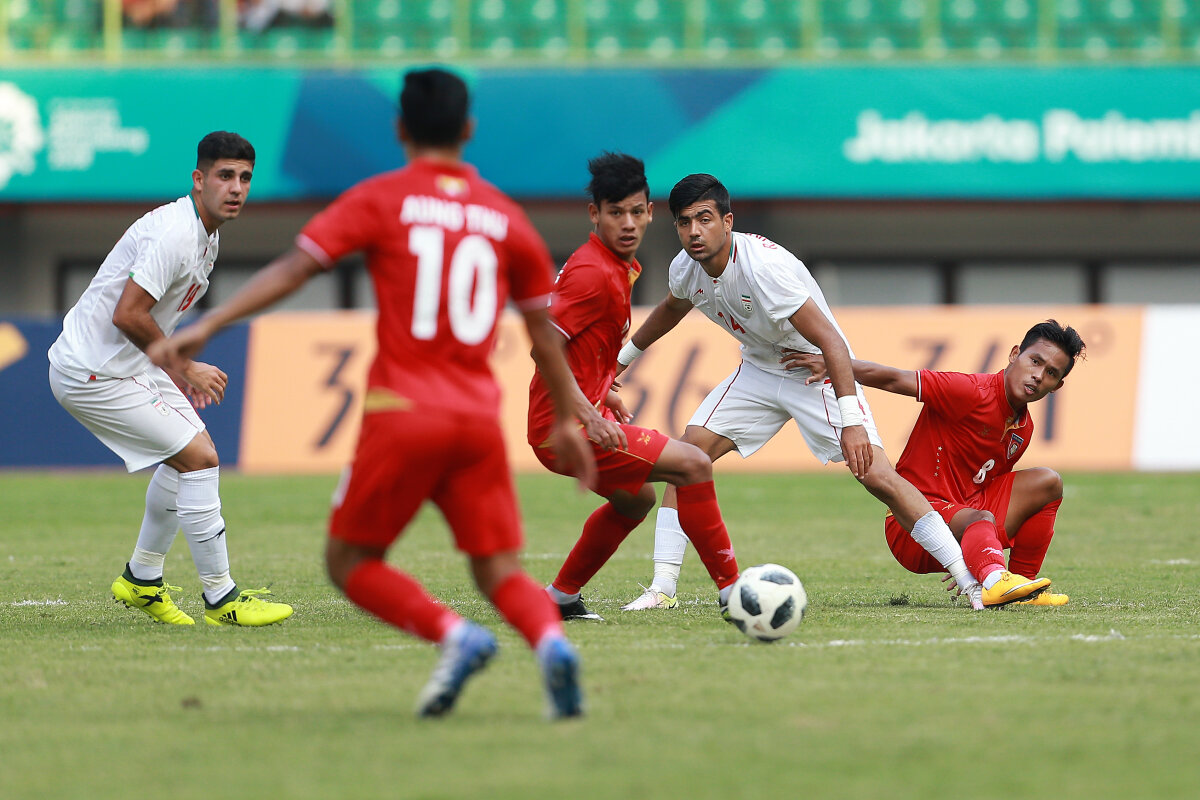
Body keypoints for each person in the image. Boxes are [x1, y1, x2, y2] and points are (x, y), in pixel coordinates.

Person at [151, 68, 620, 719]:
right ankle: (550, 644)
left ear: (400, 129)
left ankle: (454, 637)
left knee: (349, 561)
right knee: (499, 569)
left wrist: (208, 325)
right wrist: (569, 416)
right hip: (476, 419)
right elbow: (543, 333)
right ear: (468, 130)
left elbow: (297, 267)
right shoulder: (505, 218)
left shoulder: (383, 199)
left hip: (403, 412)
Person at [616, 174, 1050, 612]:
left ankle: (971, 582)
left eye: (705, 219)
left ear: (727, 222)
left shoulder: (764, 270)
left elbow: (832, 342)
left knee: (878, 476)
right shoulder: (684, 268)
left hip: (814, 369)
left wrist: (852, 421)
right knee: (686, 459)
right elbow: (671, 309)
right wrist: (620, 362)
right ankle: (662, 588)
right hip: (759, 370)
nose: (694, 231)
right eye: (684, 221)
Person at [48, 131, 294, 628]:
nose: (237, 188)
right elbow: (128, 314)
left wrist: (171, 368)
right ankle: (222, 598)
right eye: (225, 176)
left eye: (245, 178)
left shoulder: (206, 235)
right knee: (199, 459)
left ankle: (142, 579)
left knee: (191, 459)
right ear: (198, 180)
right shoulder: (176, 235)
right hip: (92, 370)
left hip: (128, 364)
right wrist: (185, 368)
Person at [527, 153, 741, 622]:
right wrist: (587, 413)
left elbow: (580, 346)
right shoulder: (593, 273)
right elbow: (544, 347)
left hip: (570, 417)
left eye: (637, 211)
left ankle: (560, 596)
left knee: (636, 499)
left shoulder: (614, 265)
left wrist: (602, 389)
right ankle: (736, 594)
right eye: (615, 212)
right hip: (564, 427)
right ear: (595, 214)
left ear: (649, 212)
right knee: (693, 463)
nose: (628, 223)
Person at [788, 320, 1084, 606]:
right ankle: (995, 579)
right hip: (911, 523)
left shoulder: (1023, 429)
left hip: (966, 517)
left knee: (1048, 482)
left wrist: (977, 551)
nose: (1038, 375)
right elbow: (894, 378)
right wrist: (835, 364)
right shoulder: (970, 391)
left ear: (1057, 386)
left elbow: (987, 488)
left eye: (1050, 373)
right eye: (1035, 361)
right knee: (979, 518)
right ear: (1015, 354)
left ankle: (1022, 586)